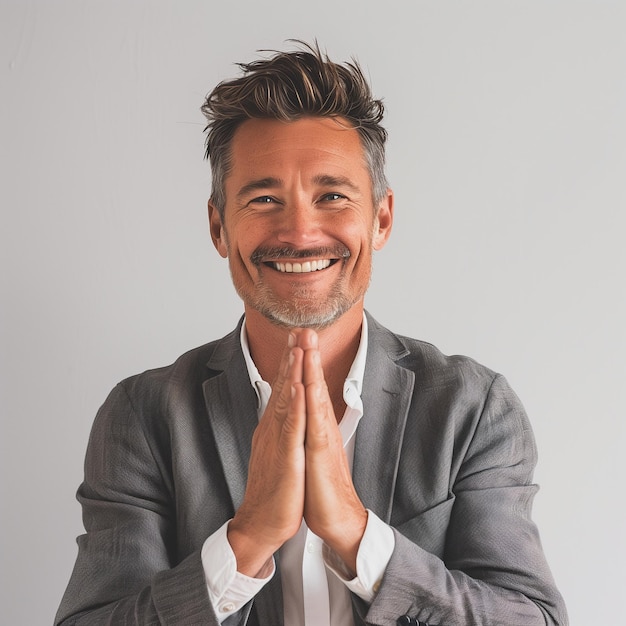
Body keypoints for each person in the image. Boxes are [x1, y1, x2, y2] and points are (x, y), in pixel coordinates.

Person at [55, 42, 568, 626]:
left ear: (381, 218)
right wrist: (245, 541)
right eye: (265, 198)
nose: (300, 232)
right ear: (219, 226)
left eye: (332, 196)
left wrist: (356, 534)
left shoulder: (473, 408)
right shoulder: (143, 415)